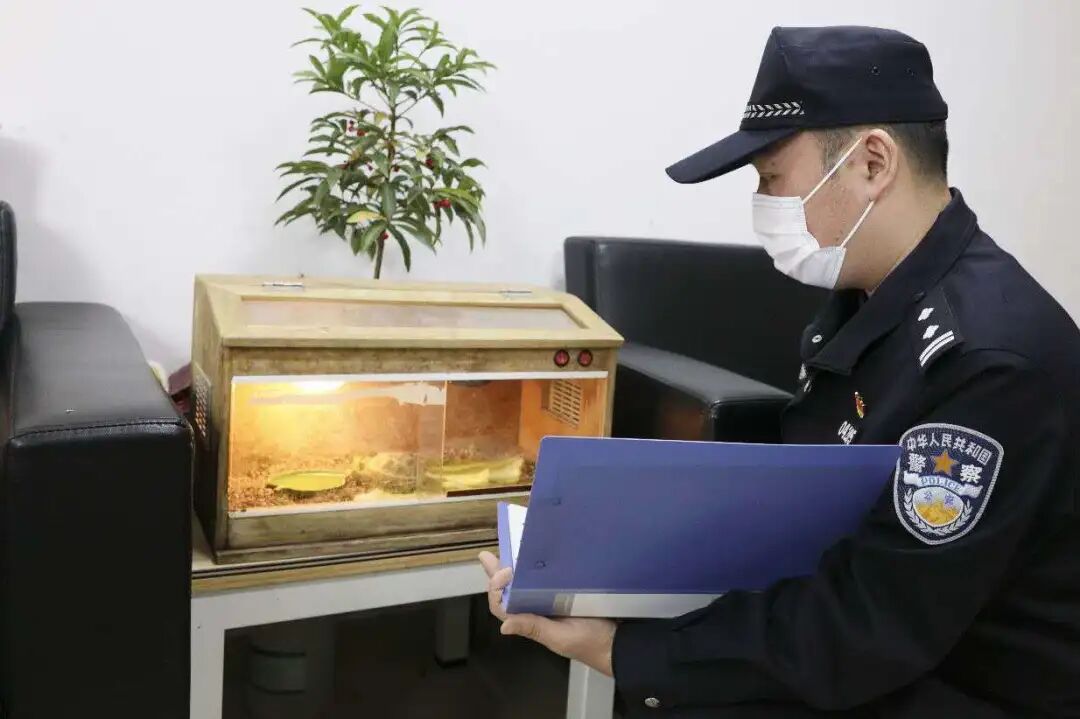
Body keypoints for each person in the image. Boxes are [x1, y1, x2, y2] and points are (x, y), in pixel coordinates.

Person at [479, 25, 1080, 718]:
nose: (764, 204)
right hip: (876, 631)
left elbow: (868, 628)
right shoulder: (862, 301)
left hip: (966, 682)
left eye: (772, 178)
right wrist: (611, 555)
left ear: (873, 162)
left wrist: (627, 649)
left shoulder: (987, 363)